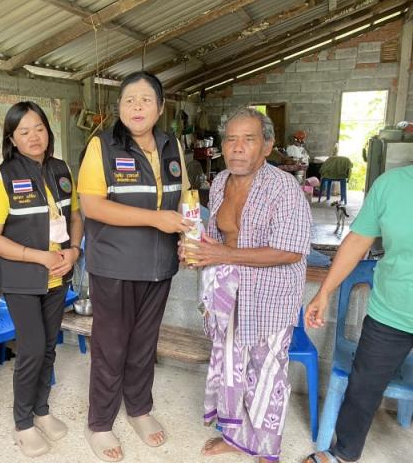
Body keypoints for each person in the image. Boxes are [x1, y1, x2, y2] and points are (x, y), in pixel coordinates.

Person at [181, 107, 311, 462]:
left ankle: (268, 451)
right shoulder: (220, 182)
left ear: (266, 146)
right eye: (230, 139)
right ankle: (235, 437)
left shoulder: (283, 188)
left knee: (266, 374)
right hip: (228, 293)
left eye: (248, 139)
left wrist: (222, 253)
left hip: (269, 297)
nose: (237, 148)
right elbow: (216, 237)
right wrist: (195, 249)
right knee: (231, 368)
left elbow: (290, 251)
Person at [77, 71, 192, 462]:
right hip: (115, 266)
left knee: (144, 344)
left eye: (145, 99)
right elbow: (92, 205)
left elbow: (184, 195)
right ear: (119, 108)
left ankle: (139, 409)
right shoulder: (102, 146)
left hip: (159, 266)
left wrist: (189, 235)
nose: (137, 107)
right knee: (111, 347)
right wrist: (155, 219)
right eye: (129, 100)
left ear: (160, 107)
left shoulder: (172, 145)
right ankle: (100, 423)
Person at [0, 101, 83, 458]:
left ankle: (42, 410)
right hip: (23, 280)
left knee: (49, 346)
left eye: (39, 128)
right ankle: (23, 422)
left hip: (58, 277)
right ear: (12, 138)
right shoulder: (2, 178)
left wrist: (74, 251)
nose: (34, 136)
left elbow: (75, 217)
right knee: (32, 349)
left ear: (48, 131)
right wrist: (39, 256)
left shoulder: (60, 169)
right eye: (23, 131)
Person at [302, 165, 413, 463]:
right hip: (390, 312)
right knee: (362, 389)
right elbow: (358, 240)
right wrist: (324, 292)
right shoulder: (391, 185)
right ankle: (344, 453)